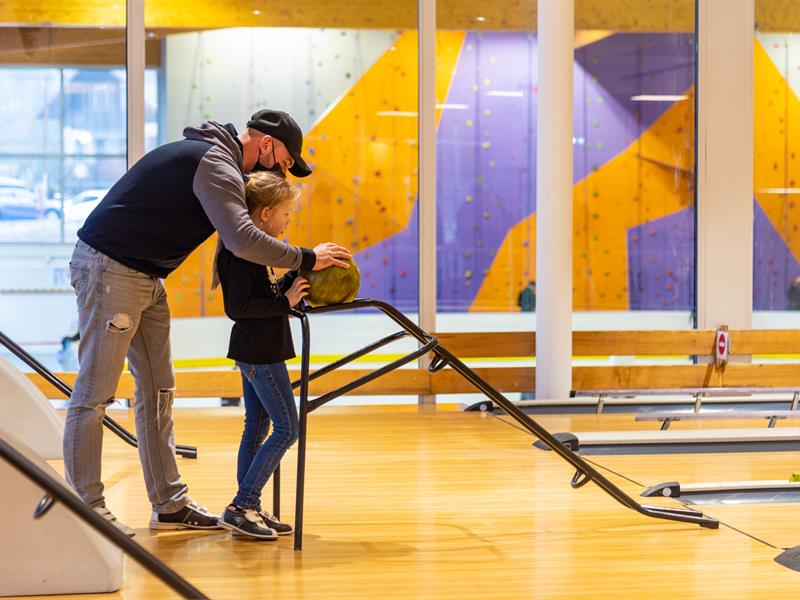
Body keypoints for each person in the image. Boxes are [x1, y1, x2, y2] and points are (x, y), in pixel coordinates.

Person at [65, 108, 351, 536]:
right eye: (285, 162)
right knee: (95, 393)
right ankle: (85, 508)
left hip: (147, 275)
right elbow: (242, 239)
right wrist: (307, 258)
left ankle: (169, 505)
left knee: (159, 392)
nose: (281, 172)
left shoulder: (220, 161)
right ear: (267, 144)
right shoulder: (214, 161)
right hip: (111, 269)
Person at [214, 171, 309, 539]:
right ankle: (242, 505)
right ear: (266, 214)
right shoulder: (240, 253)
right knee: (288, 428)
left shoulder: (254, 250)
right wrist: (284, 302)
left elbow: (261, 296)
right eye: (286, 213)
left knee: (257, 427)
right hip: (260, 353)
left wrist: (289, 286)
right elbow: (239, 307)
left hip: (260, 349)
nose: (288, 221)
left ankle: (247, 508)